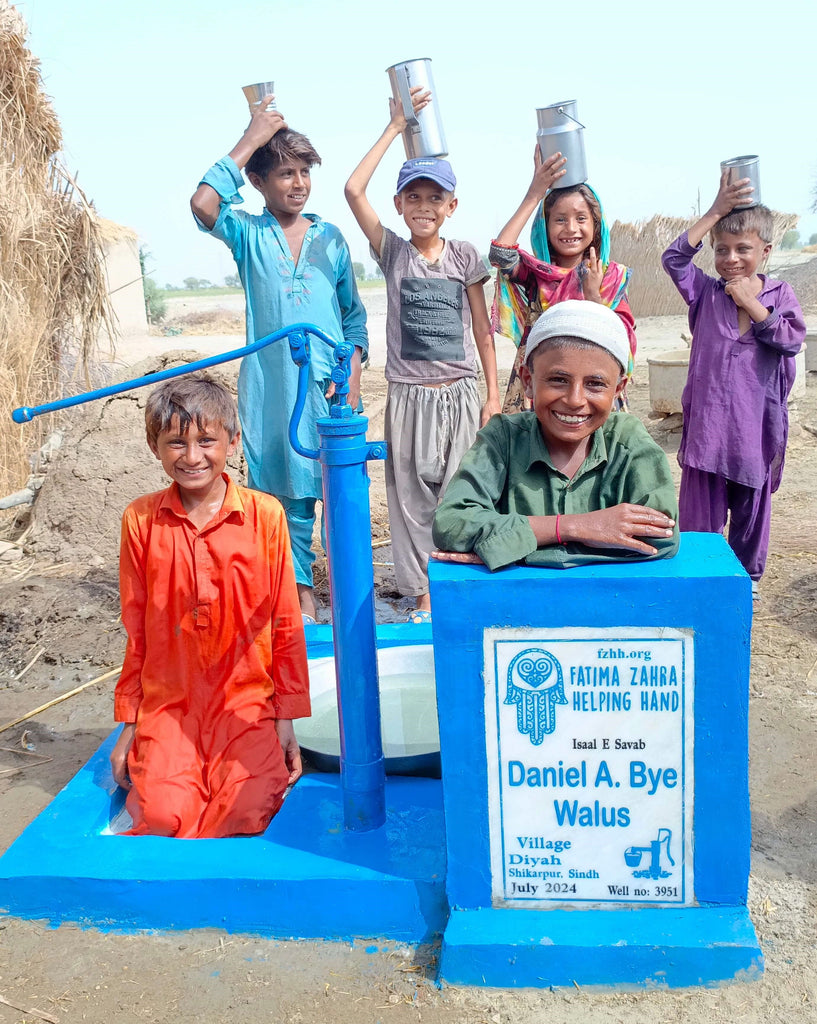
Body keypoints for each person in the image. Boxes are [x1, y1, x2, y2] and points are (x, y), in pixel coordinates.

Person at [190, 94, 368, 624]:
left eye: (304, 172)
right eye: (285, 173)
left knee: (334, 485)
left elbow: (353, 316)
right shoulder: (248, 233)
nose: (298, 183)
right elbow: (203, 205)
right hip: (270, 385)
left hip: (328, 385)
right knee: (282, 491)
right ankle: (298, 590)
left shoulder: (330, 239)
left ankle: (349, 592)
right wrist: (250, 138)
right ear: (259, 182)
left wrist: (352, 370)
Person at [109, 375, 310, 838]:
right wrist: (129, 723)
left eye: (206, 440)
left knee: (246, 812)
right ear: (154, 447)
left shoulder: (265, 516)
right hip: (169, 705)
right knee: (162, 816)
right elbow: (137, 628)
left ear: (233, 442)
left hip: (245, 702)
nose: (192, 456)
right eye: (176, 443)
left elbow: (285, 622)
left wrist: (285, 720)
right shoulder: (140, 520)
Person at [344, 87, 500, 621]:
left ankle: (459, 590)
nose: (424, 207)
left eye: (435, 198)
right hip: (408, 397)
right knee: (410, 501)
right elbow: (352, 188)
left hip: (459, 394)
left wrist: (493, 397)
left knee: (460, 495)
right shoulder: (392, 252)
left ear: (451, 206)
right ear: (400, 205)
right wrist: (393, 127)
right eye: (414, 197)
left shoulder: (464, 257)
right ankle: (422, 596)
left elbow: (482, 332)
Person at [432, 301, 678, 570]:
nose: (575, 400)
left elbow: (662, 538)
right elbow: (451, 524)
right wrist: (575, 527)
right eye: (558, 380)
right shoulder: (502, 439)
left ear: (618, 389)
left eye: (595, 384)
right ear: (527, 380)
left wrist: (513, 549)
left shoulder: (628, 441)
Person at [662, 173, 805, 596]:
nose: (731, 259)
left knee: (751, 505)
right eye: (722, 250)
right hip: (708, 428)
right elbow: (674, 259)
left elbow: (791, 340)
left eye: (743, 249)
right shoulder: (705, 293)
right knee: (700, 511)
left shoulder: (779, 294)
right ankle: (700, 575)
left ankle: (743, 582)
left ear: (766, 250)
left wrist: (751, 303)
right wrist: (715, 212)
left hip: (754, 427)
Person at [490, 149, 636, 412]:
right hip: (540, 393)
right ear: (544, 228)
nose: (570, 228)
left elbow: (621, 343)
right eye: (559, 219)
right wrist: (535, 192)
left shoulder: (610, 277)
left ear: (595, 226)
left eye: (581, 218)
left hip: (592, 397)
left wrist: (593, 298)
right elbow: (500, 254)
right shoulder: (536, 275)